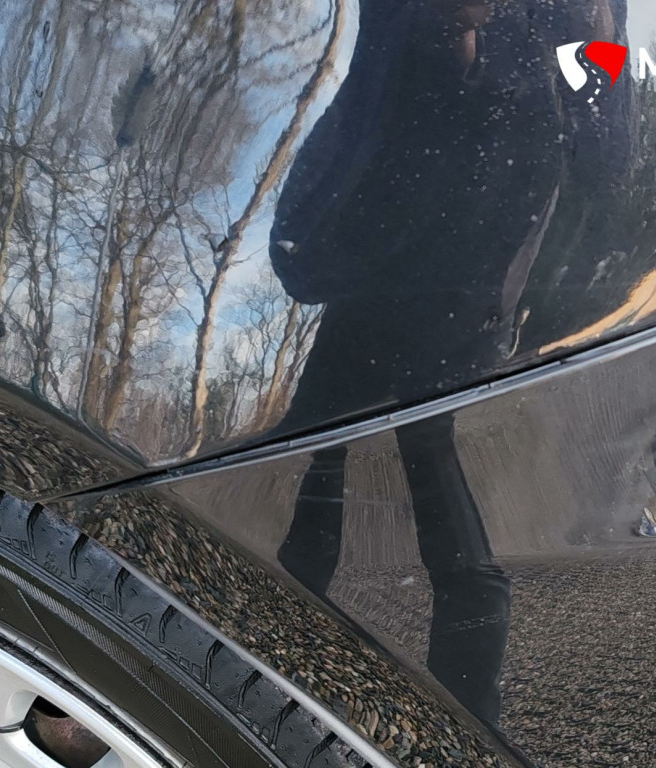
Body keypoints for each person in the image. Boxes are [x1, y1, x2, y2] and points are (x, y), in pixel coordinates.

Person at [270, 0, 633, 724]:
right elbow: (369, 93)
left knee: (445, 511)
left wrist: (592, 45)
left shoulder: (558, 29)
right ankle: (272, 666)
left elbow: (604, 151)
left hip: (461, 301)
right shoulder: (408, 31)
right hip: (373, 278)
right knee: (309, 474)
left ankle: (467, 729)